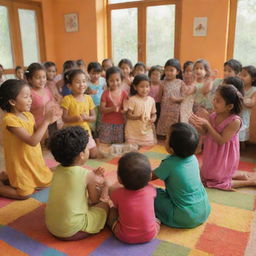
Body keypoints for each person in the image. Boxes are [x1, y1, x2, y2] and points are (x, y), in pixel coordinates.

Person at [45, 126, 109, 241]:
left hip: (51, 226)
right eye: (87, 148)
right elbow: (95, 200)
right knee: (105, 205)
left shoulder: (56, 170)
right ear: (82, 154)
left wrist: (93, 176)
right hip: (73, 230)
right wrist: (101, 184)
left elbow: (73, 181)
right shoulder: (87, 175)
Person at [0, 79, 59, 199]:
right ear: (12, 101)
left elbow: (39, 135)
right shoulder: (10, 120)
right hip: (20, 164)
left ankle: (7, 177)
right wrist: (46, 121)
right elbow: (32, 141)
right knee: (25, 194)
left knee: (48, 181)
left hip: (33, 160)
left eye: (30, 96)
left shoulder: (28, 115)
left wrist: (47, 120)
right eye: (26, 97)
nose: (30, 100)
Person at [190, 85, 256, 189]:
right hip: (212, 152)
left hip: (224, 155)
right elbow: (206, 133)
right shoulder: (214, 115)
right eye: (214, 99)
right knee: (206, 177)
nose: (214, 102)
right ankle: (239, 175)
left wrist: (207, 124)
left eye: (218, 101)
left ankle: (251, 182)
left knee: (216, 182)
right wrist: (198, 125)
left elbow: (221, 141)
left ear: (229, 106)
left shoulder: (235, 121)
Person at [152, 122, 211, 228]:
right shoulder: (193, 158)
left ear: (171, 149)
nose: (165, 139)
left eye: (166, 138)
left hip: (184, 216)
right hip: (204, 210)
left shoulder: (169, 164)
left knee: (151, 192)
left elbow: (147, 177)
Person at [107, 152, 160, 244]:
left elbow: (110, 191)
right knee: (155, 219)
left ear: (119, 179)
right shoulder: (152, 190)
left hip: (125, 236)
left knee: (112, 209)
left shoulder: (117, 193)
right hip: (150, 235)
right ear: (150, 176)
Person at [61, 69, 99, 158]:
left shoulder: (88, 98)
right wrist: (75, 118)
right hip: (71, 132)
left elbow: (94, 117)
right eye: (78, 82)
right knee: (75, 156)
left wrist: (87, 118)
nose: (82, 84)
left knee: (93, 154)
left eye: (84, 81)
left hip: (84, 131)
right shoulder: (67, 99)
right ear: (69, 86)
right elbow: (64, 118)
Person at [25, 63, 59, 138]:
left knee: (53, 143)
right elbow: (26, 111)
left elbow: (53, 103)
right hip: (37, 125)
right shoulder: (29, 93)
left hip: (51, 122)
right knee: (42, 146)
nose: (42, 80)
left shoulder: (47, 90)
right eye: (38, 78)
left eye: (44, 77)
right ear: (29, 79)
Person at [125, 74, 156, 146]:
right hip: (133, 129)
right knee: (131, 146)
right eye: (142, 86)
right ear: (135, 87)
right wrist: (138, 117)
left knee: (150, 144)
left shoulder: (151, 100)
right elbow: (128, 115)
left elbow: (154, 114)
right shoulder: (132, 99)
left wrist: (153, 119)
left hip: (146, 128)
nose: (145, 89)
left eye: (147, 86)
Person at [99, 66, 128, 144]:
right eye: (111, 80)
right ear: (107, 81)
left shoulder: (124, 93)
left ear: (121, 80)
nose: (115, 83)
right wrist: (112, 108)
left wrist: (124, 110)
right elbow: (101, 109)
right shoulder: (105, 93)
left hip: (120, 123)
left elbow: (125, 107)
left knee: (118, 144)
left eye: (117, 80)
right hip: (107, 123)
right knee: (105, 143)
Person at [156, 59, 185, 137]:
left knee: (174, 127)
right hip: (165, 110)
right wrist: (160, 86)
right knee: (164, 123)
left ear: (177, 72)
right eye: (167, 70)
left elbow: (184, 98)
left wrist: (176, 99)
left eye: (171, 70)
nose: (168, 72)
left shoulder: (180, 82)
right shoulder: (163, 82)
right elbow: (159, 97)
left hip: (175, 110)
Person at [87, 62, 106, 140]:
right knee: (92, 122)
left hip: (101, 104)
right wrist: (88, 92)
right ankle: (92, 135)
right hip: (92, 106)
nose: (96, 76)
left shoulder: (102, 80)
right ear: (88, 72)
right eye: (93, 73)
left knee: (100, 120)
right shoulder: (87, 83)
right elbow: (85, 94)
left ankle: (98, 135)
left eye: (98, 73)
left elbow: (105, 90)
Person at [239, 66, 256, 145]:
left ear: (253, 78)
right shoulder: (238, 88)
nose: (241, 77)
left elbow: (251, 103)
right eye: (240, 75)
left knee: (241, 127)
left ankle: (238, 145)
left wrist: (241, 98)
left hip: (244, 115)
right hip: (235, 112)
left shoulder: (254, 90)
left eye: (244, 75)